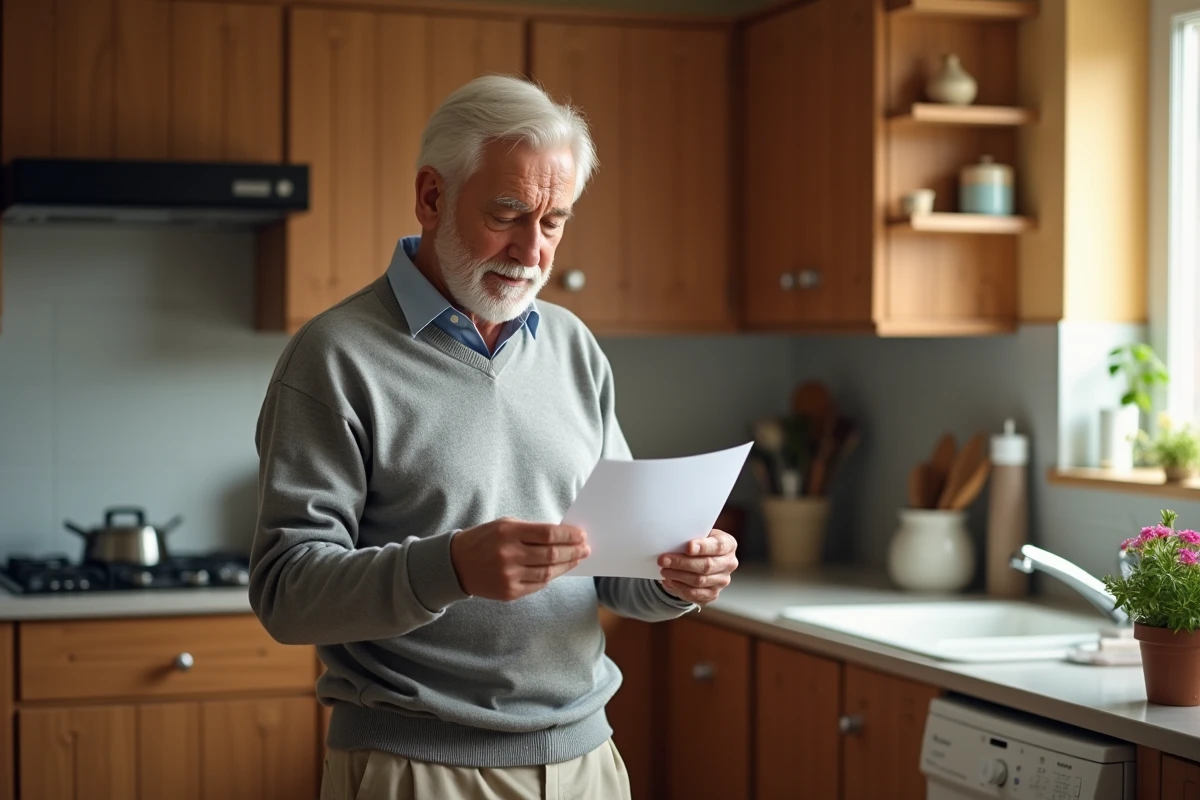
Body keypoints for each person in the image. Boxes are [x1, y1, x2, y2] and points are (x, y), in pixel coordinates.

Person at [250, 74, 739, 800]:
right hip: (415, 766)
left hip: (586, 761)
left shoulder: (573, 346)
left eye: (554, 222)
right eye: (508, 214)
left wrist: (675, 578)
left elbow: (614, 568)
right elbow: (286, 592)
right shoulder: (335, 357)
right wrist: (449, 567)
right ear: (431, 197)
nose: (531, 251)